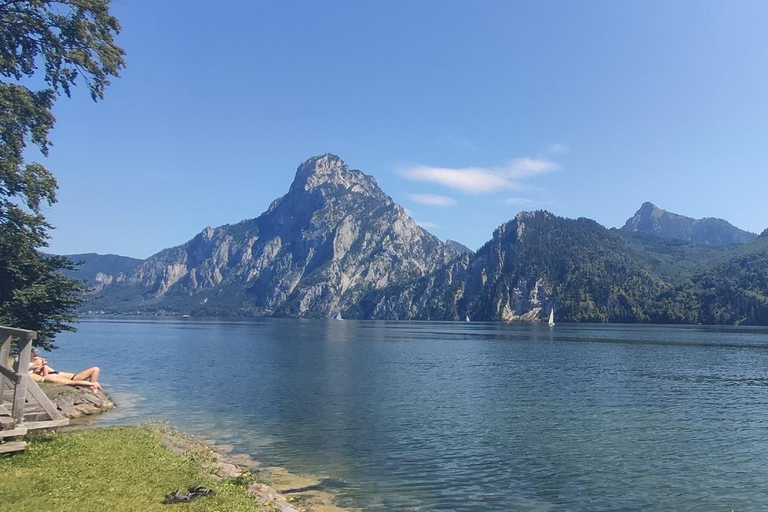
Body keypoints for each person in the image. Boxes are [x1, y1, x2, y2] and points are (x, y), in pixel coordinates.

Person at [28, 349, 103, 392]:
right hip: (52, 377)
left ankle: (93, 385)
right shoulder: (35, 368)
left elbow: (45, 374)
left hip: (69, 377)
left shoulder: (33, 370)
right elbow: (45, 374)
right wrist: (41, 365)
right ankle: (93, 385)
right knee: (73, 383)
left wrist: (41, 365)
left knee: (95, 369)